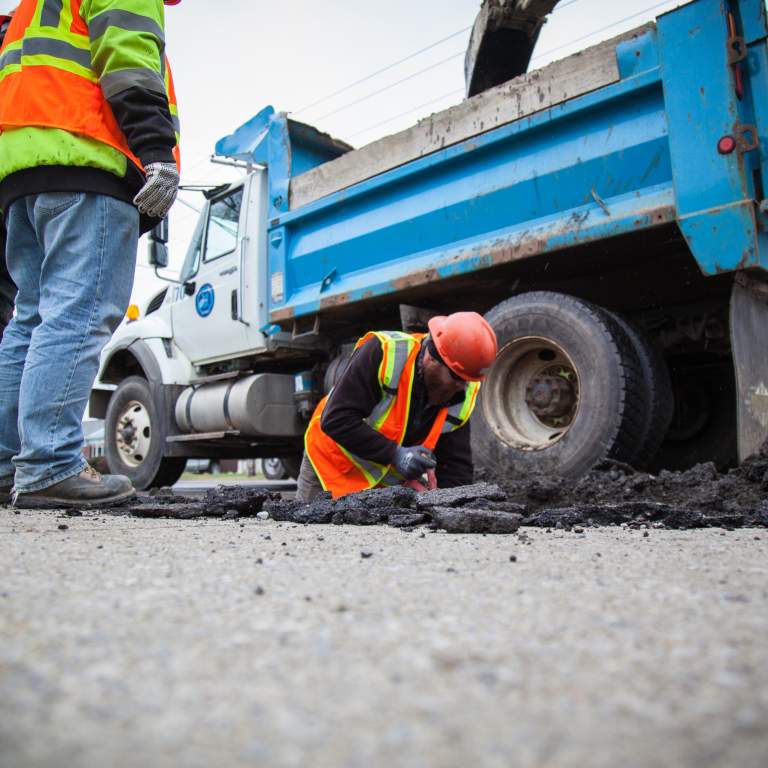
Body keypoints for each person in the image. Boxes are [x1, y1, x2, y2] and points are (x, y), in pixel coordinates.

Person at [0, 0, 181, 508]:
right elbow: (127, 57)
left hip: (23, 168)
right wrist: (156, 151)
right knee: (76, 313)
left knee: (31, 320)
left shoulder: (31, 7)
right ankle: (48, 465)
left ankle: (7, 463)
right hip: (88, 157)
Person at [298, 312, 498, 501]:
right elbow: (336, 419)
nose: (461, 387)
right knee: (312, 530)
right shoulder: (384, 352)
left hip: (382, 487)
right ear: (431, 357)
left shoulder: (461, 391)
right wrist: (395, 455)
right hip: (330, 466)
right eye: (455, 377)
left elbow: (455, 466)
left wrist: (453, 504)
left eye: (467, 379)